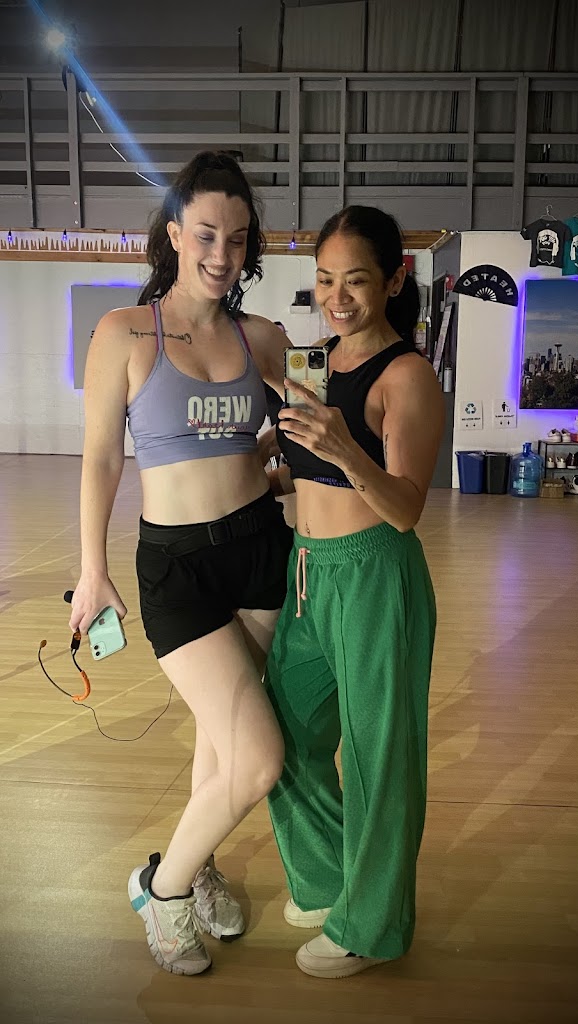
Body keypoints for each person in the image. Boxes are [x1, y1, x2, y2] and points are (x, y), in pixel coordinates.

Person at [69, 151, 293, 976]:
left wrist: (279, 465)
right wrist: (91, 570)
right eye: (204, 233)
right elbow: (101, 457)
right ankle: (161, 889)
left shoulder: (261, 337)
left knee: (221, 742)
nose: (220, 253)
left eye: (236, 237)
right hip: (177, 568)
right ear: (173, 233)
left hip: (259, 551)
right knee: (259, 760)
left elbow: (283, 437)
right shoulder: (124, 332)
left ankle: (199, 871)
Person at [264, 205, 444, 979]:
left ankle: (371, 927)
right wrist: (266, 470)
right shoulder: (316, 362)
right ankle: (331, 881)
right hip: (308, 570)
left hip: (375, 575)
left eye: (356, 280)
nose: (336, 297)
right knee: (278, 731)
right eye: (324, 279)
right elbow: (303, 471)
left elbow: (404, 508)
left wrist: (342, 448)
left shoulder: (407, 376)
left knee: (378, 758)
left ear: (393, 280)